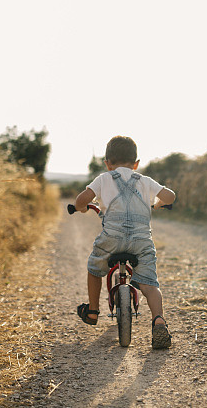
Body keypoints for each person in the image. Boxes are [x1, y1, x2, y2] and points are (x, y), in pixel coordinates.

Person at [73, 135, 176, 349]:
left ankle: (92, 311)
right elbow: (171, 197)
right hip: (141, 241)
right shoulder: (145, 181)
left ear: (107, 163)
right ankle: (159, 320)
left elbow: (80, 201)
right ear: (136, 164)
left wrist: (82, 208)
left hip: (111, 238)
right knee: (150, 284)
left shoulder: (103, 178)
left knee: (95, 267)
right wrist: (157, 204)